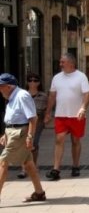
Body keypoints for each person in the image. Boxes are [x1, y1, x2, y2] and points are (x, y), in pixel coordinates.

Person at [44, 53, 89, 181]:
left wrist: (83, 108)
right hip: (61, 115)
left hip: (77, 116)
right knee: (59, 139)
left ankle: (75, 166)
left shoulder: (81, 77)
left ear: (71, 63)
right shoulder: (56, 78)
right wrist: (48, 112)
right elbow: (52, 96)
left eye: (62, 62)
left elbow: (87, 94)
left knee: (75, 141)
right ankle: (56, 169)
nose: (60, 64)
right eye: (60, 62)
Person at [0, 73, 46, 202]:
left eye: (1, 86)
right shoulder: (12, 96)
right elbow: (13, 118)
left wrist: (30, 136)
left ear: (9, 86)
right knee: (28, 163)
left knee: (3, 162)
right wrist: (5, 133)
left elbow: (33, 118)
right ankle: (39, 192)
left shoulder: (22, 96)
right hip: (13, 131)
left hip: (20, 133)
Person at [18, 73, 48, 179]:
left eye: (35, 80)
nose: (32, 82)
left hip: (38, 123)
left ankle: (33, 164)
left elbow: (46, 109)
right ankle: (24, 168)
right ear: (27, 82)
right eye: (30, 80)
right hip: (24, 122)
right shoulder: (22, 95)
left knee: (34, 144)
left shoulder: (43, 96)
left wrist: (46, 118)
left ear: (39, 83)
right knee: (24, 144)